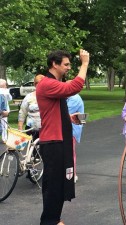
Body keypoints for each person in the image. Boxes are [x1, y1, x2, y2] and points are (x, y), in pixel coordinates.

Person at [36, 49, 89, 225]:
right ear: (54, 64)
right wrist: (85, 63)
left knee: (60, 184)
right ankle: (49, 221)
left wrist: (68, 118)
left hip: (60, 140)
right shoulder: (46, 83)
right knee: (53, 186)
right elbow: (74, 87)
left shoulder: (53, 83)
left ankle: (55, 218)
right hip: (53, 142)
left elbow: (52, 111)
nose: (68, 67)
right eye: (66, 64)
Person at [18, 75, 44, 141]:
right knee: (32, 149)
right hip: (31, 128)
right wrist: (20, 127)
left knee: (45, 150)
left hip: (46, 129)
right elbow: (22, 112)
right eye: (38, 83)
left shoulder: (50, 97)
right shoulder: (28, 97)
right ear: (35, 84)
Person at [67, 93, 84, 183]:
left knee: (69, 153)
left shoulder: (74, 98)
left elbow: (65, 113)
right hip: (69, 129)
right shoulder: (69, 98)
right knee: (68, 153)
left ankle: (72, 175)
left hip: (72, 129)